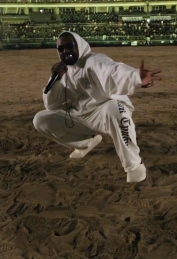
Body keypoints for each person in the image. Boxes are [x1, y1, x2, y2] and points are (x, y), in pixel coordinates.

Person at [33, 32, 162, 183]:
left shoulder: (94, 61)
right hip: (79, 116)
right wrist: (55, 80)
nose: (65, 52)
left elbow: (113, 71)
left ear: (79, 46)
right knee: (41, 119)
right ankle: (85, 143)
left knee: (116, 109)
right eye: (61, 49)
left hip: (103, 113)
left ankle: (134, 167)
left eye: (69, 47)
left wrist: (136, 77)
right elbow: (51, 104)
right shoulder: (62, 72)